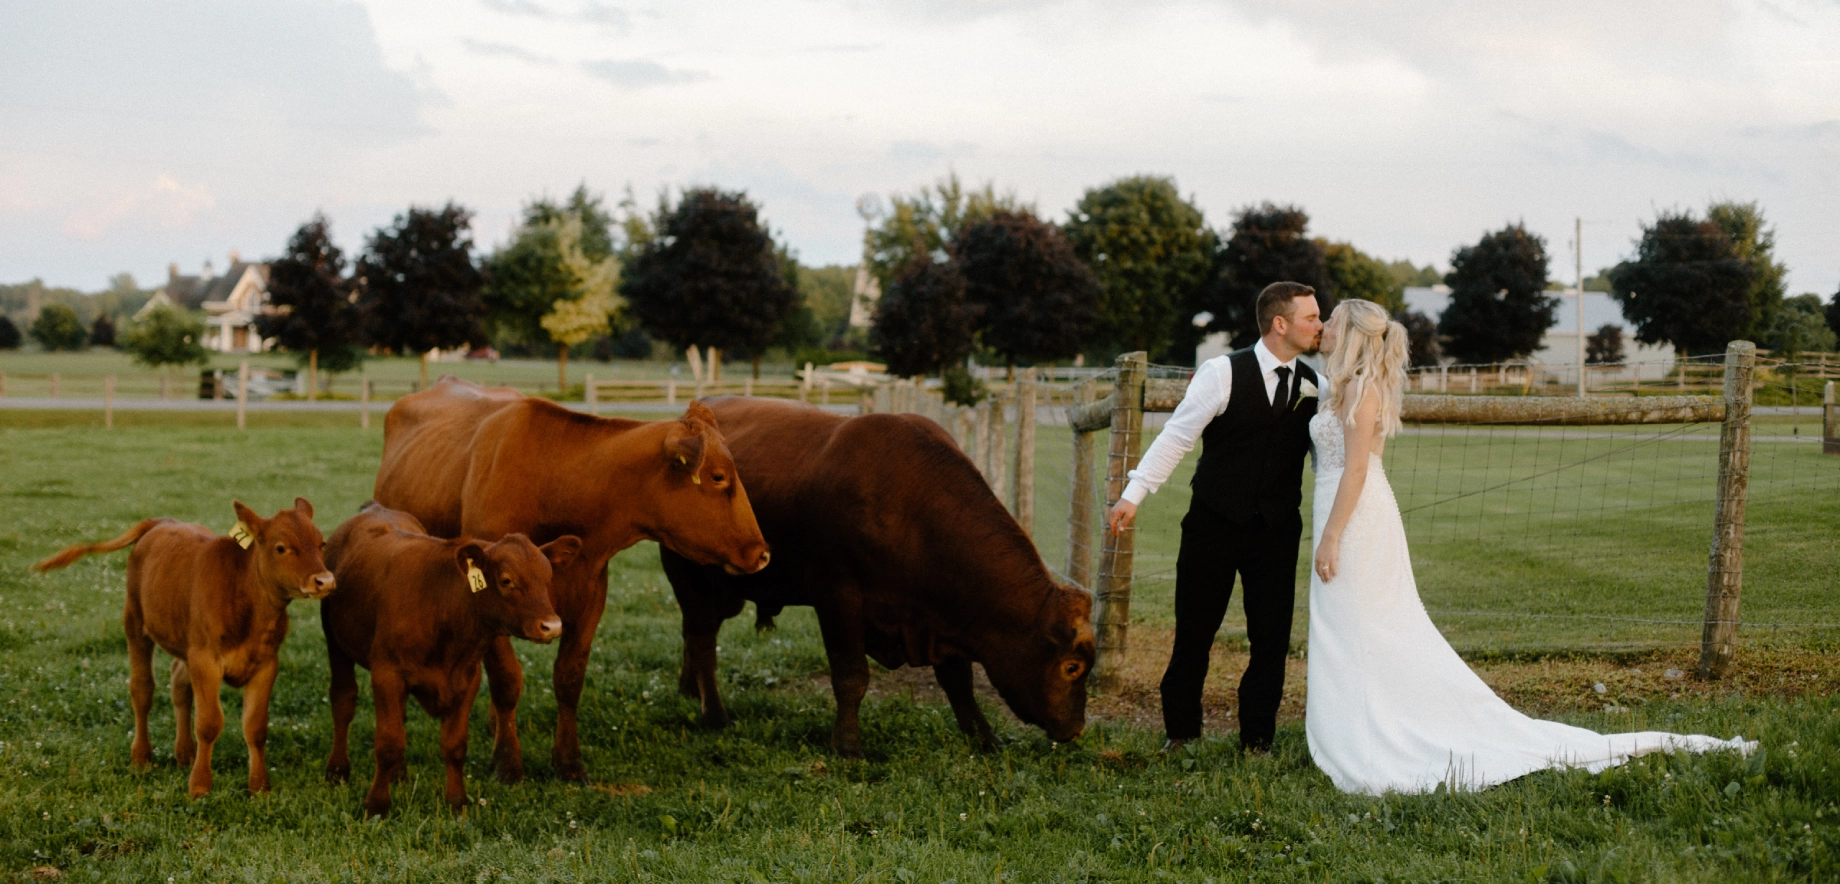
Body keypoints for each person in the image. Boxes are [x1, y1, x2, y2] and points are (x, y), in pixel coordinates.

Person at [1303, 298, 1753, 794]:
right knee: (1350, 624)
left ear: (1350, 335)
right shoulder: (1342, 388)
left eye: (1333, 322)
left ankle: (1377, 729)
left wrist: (1331, 535)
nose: (1323, 327)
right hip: (1347, 509)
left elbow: (1360, 468)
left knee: (1365, 623)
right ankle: (1357, 718)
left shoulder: (1361, 393)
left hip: (1355, 518)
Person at [1107, 281, 1324, 754]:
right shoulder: (1222, 373)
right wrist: (1134, 494)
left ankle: (1258, 739)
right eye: (1311, 317)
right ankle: (1181, 733)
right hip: (1213, 524)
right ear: (1279, 323)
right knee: (1194, 632)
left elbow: (1325, 457)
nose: (1319, 325)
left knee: (1271, 638)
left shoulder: (1316, 384)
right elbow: (1176, 437)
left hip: (1277, 530)